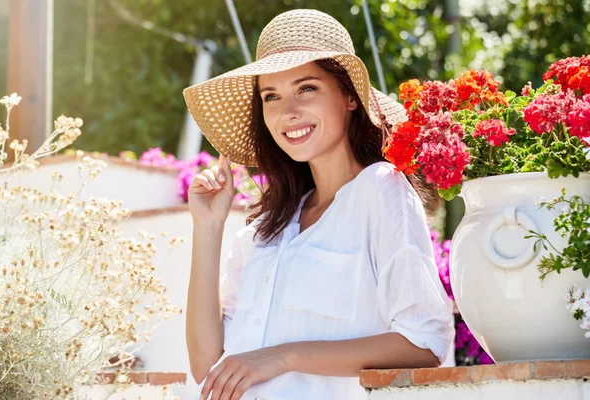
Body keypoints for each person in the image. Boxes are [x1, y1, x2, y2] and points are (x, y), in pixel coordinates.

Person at [183, 9, 454, 400]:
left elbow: (424, 343)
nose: (287, 112)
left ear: (349, 96)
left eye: (306, 88)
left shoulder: (380, 190)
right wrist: (207, 227)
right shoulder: (266, 228)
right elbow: (206, 363)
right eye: (270, 96)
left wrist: (283, 357)